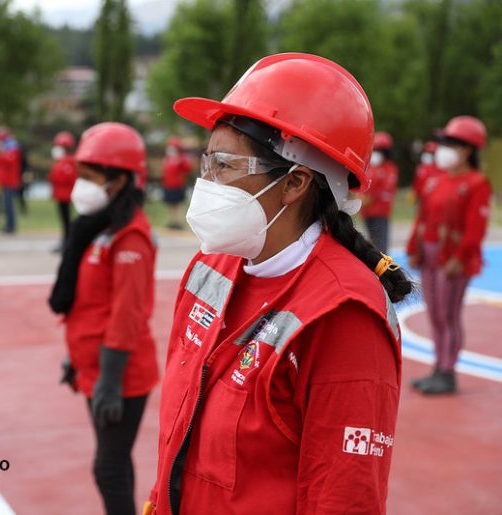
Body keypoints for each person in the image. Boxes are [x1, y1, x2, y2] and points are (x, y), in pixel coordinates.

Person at [144, 53, 413, 515]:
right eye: (206, 163)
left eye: (224, 166)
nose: (206, 183)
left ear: (295, 183)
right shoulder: (212, 265)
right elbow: (179, 430)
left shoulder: (343, 315)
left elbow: (343, 499)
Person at [49, 122, 159, 515]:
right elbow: (90, 304)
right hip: (96, 367)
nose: (80, 186)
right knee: (116, 462)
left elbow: (127, 316)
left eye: (89, 177)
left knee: (108, 469)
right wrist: (76, 359)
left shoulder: (130, 237)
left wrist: (110, 381)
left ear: (120, 180)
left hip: (121, 374)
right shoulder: (100, 227)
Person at [407, 116, 492, 395]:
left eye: (450, 143)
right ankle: (438, 368)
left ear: (467, 150)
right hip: (429, 255)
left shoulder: (477, 183)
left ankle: (448, 371)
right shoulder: (436, 180)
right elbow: (423, 217)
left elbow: (475, 229)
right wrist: (414, 247)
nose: (443, 149)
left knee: (448, 315)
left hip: (453, 259)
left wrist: (460, 258)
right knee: (434, 313)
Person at [360, 131, 398, 252]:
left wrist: (367, 198)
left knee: (381, 246)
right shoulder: (369, 167)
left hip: (380, 213)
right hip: (367, 212)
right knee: (371, 243)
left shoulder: (390, 169)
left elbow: (383, 190)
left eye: (379, 150)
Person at [48, 131, 78, 248]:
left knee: (67, 220)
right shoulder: (61, 161)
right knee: (64, 220)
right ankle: (65, 241)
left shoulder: (70, 162)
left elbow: (64, 178)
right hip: (61, 195)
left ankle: (67, 242)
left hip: (67, 195)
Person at [161, 136, 192, 230]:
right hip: (168, 185)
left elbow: (188, 169)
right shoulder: (167, 159)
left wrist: (182, 159)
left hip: (178, 185)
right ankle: (173, 221)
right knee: (171, 204)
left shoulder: (180, 159)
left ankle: (180, 222)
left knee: (178, 204)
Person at [0, 127, 22, 234]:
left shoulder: (13, 149)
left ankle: (11, 226)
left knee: (9, 205)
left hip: (10, 182)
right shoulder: (7, 150)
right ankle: (8, 225)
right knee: (6, 205)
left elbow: (7, 161)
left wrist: (0, 153)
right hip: (5, 181)